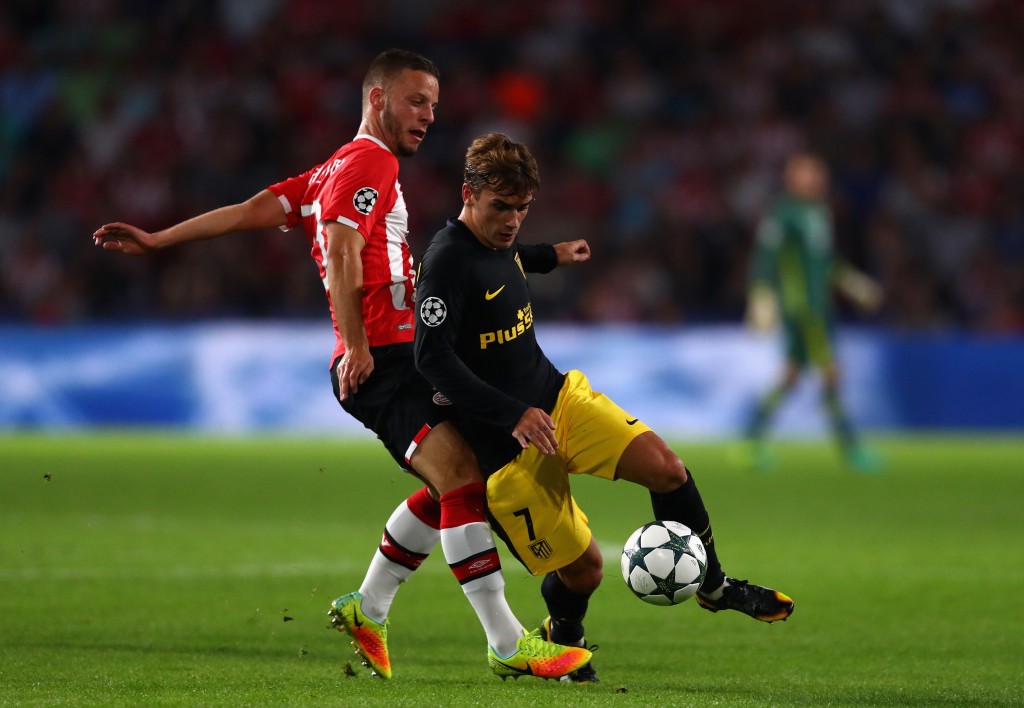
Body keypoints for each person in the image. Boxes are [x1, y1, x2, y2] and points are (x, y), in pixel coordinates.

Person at [93, 49, 590, 682]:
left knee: (451, 485)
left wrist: (160, 239)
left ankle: (368, 606)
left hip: (400, 356)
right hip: (382, 360)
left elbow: (249, 211)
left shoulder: (330, 169)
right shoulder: (370, 162)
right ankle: (507, 641)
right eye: (416, 101)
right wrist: (356, 344)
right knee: (463, 478)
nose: (428, 116)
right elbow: (340, 247)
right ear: (378, 99)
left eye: (434, 104)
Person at [411, 133, 795, 682]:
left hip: (559, 400)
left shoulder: (498, 240)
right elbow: (431, 358)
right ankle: (565, 634)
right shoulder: (446, 262)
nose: (513, 220)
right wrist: (512, 413)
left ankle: (713, 586)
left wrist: (552, 255)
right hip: (506, 445)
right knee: (585, 573)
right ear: (467, 194)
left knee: (667, 468)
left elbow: (508, 258)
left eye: (523, 208)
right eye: (501, 207)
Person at [742, 152, 884, 472]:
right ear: (791, 178)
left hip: (819, 306)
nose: (816, 178)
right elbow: (766, 255)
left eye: (819, 173)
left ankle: (751, 438)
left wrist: (853, 283)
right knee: (831, 373)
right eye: (807, 173)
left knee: (791, 376)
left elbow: (823, 261)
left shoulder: (818, 212)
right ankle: (851, 449)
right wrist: (762, 295)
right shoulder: (784, 213)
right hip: (804, 308)